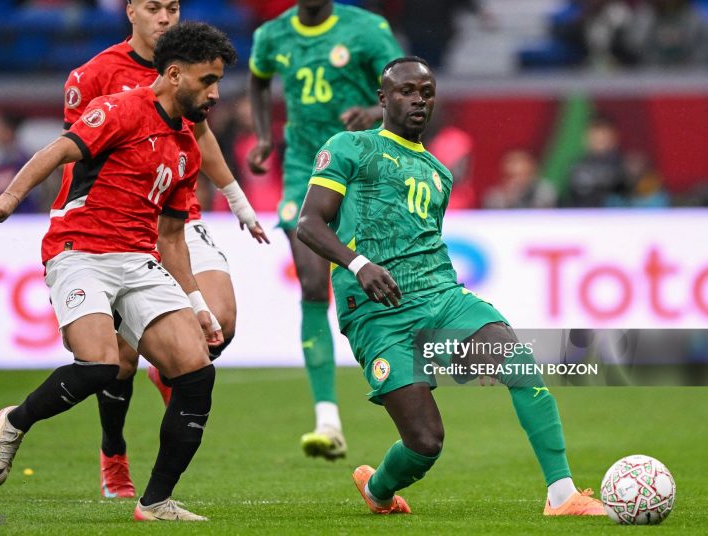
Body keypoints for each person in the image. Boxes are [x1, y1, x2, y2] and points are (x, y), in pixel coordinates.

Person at [296, 56, 607, 516]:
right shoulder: (350, 147)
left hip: (441, 299)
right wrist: (359, 263)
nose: (418, 99)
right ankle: (379, 489)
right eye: (406, 91)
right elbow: (309, 223)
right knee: (425, 443)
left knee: (518, 361)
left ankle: (561, 494)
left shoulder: (440, 174)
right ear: (383, 99)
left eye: (426, 92)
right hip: (376, 313)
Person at [0, 21, 235, 522]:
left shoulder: (186, 148)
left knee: (197, 372)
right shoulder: (121, 109)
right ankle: (15, 420)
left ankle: (155, 502)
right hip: (80, 251)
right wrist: (11, 197)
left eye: (218, 81)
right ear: (175, 73)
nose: (216, 93)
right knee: (100, 366)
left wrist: (199, 305)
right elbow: (59, 150)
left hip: (140, 260)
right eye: (207, 81)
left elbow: (172, 237)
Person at [60, 0, 268, 498]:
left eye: (172, 7)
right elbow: (74, 151)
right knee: (120, 362)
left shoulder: (193, 68)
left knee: (221, 322)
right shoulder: (95, 74)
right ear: (130, 11)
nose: (164, 17)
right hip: (119, 227)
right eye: (153, 7)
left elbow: (201, 136)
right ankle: (114, 453)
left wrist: (238, 200)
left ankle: (168, 360)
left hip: (178, 217)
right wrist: (76, 223)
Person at [247, 0, 403, 461]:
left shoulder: (367, 29)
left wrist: (374, 115)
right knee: (313, 283)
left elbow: (407, 87)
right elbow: (257, 81)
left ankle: (401, 387)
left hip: (361, 166)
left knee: (385, 282)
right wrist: (262, 136)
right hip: (303, 168)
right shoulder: (271, 36)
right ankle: (327, 420)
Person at [483, 149, 557, 209]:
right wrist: (509, 200)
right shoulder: (495, 197)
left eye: (520, 175)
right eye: (510, 176)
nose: (516, 181)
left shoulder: (544, 192)